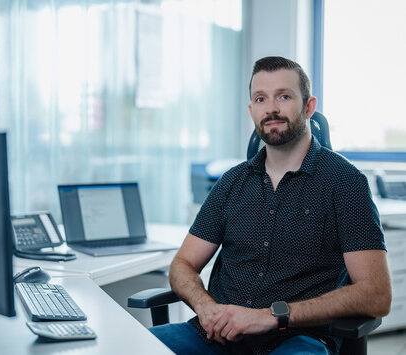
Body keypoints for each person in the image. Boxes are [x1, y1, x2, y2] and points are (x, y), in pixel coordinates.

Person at [150, 56, 392, 355]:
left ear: (308, 107)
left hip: (296, 340)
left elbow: (376, 294)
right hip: (214, 336)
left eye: (284, 96)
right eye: (261, 99)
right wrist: (206, 307)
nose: (272, 108)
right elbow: (182, 265)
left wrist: (270, 316)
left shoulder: (345, 183)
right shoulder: (231, 183)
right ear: (252, 111)